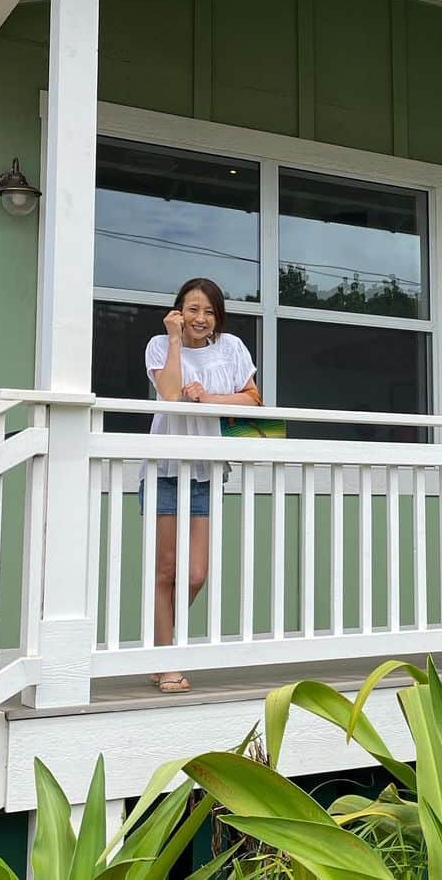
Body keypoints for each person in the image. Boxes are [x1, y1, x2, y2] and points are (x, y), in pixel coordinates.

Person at [143, 276, 261, 693]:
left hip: (208, 469)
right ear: (178, 312)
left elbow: (252, 400)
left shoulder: (231, 348)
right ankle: (168, 661)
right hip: (166, 467)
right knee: (167, 569)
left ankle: (161, 648)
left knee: (194, 574)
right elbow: (170, 394)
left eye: (209, 311)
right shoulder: (160, 346)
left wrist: (208, 399)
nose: (201, 318)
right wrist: (174, 340)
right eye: (193, 309)